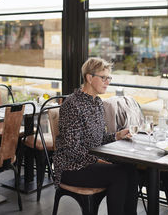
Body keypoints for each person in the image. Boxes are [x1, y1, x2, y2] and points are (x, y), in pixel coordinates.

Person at [52, 57, 138, 215]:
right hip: (71, 168)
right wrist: (100, 160)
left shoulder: (97, 102)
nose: (108, 82)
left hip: (90, 162)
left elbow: (99, 139)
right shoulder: (72, 105)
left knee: (131, 169)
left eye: (109, 78)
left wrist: (117, 135)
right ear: (89, 78)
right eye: (103, 77)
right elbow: (72, 150)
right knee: (119, 175)